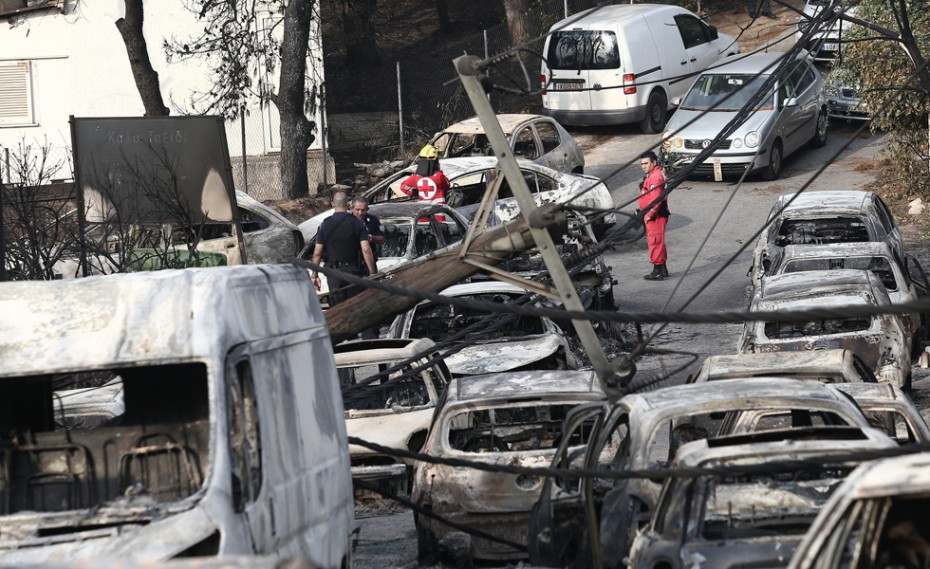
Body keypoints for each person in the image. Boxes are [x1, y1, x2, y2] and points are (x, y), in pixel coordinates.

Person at [311, 190, 377, 305]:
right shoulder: (358, 223)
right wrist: (372, 273)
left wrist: (314, 276)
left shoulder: (325, 225)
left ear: (333, 204)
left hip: (334, 274)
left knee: (338, 308)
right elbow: (366, 250)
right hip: (354, 272)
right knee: (356, 307)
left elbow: (317, 253)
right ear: (348, 205)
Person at [351, 195, 384, 339]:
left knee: (371, 302)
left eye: (363, 210)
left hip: (367, 266)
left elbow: (381, 239)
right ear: (351, 209)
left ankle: (370, 335)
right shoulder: (347, 222)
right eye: (357, 210)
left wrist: (370, 237)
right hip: (351, 267)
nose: (360, 213)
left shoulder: (372, 221)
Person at [638, 150, 670, 281]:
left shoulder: (655, 177)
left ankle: (657, 271)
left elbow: (656, 199)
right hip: (655, 214)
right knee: (659, 241)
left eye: (646, 163)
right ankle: (663, 269)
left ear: (654, 163)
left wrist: (650, 214)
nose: (643, 166)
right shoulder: (653, 174)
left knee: (655, 241)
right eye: (642, 164)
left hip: (655, 216)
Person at [400, 144, 450, 220]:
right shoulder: (439, 176)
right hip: (438, 215)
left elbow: (403, 186)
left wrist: (414, 192)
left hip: (424, 215)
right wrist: (439, 170)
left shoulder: (416, 176)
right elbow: (447, 185)